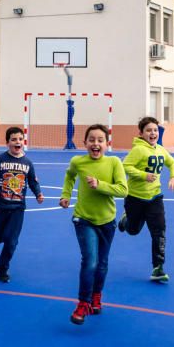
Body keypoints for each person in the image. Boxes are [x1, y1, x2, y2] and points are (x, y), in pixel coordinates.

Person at [60, 124, 128, 325]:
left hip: (107, 221)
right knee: (89, 261)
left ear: (107, 144)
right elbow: (70, 175)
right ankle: (83, 303)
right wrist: (65, 194)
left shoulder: (114, 162)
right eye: (91, 140)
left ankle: (96, 296)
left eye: (100, 140)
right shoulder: (77, 162)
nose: (96, 143)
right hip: (83, 219)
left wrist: (100, 186)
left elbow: (123, 190)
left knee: (102, 263)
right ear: (85, 143)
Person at [119, 117, 174, 282]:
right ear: (141, 133)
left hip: (155, 197)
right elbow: (125, 166)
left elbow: (172, 162)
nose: (153, 133)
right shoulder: (138, 150)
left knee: (159, 231)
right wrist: (143, 175)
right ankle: (126, 220)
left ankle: (158, 267)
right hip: (135, 198)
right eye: (148, 130)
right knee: (133, 230)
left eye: (155, 130)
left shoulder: (160, 149)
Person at [0, 126, 44, 282]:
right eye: (14, 139)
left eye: (20, 139)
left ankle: (2, 268)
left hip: (17, 209)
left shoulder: (27, 162)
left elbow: (32, 181)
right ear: (7, 142)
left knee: (11, 241)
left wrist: (38, 193)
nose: (18, 142)